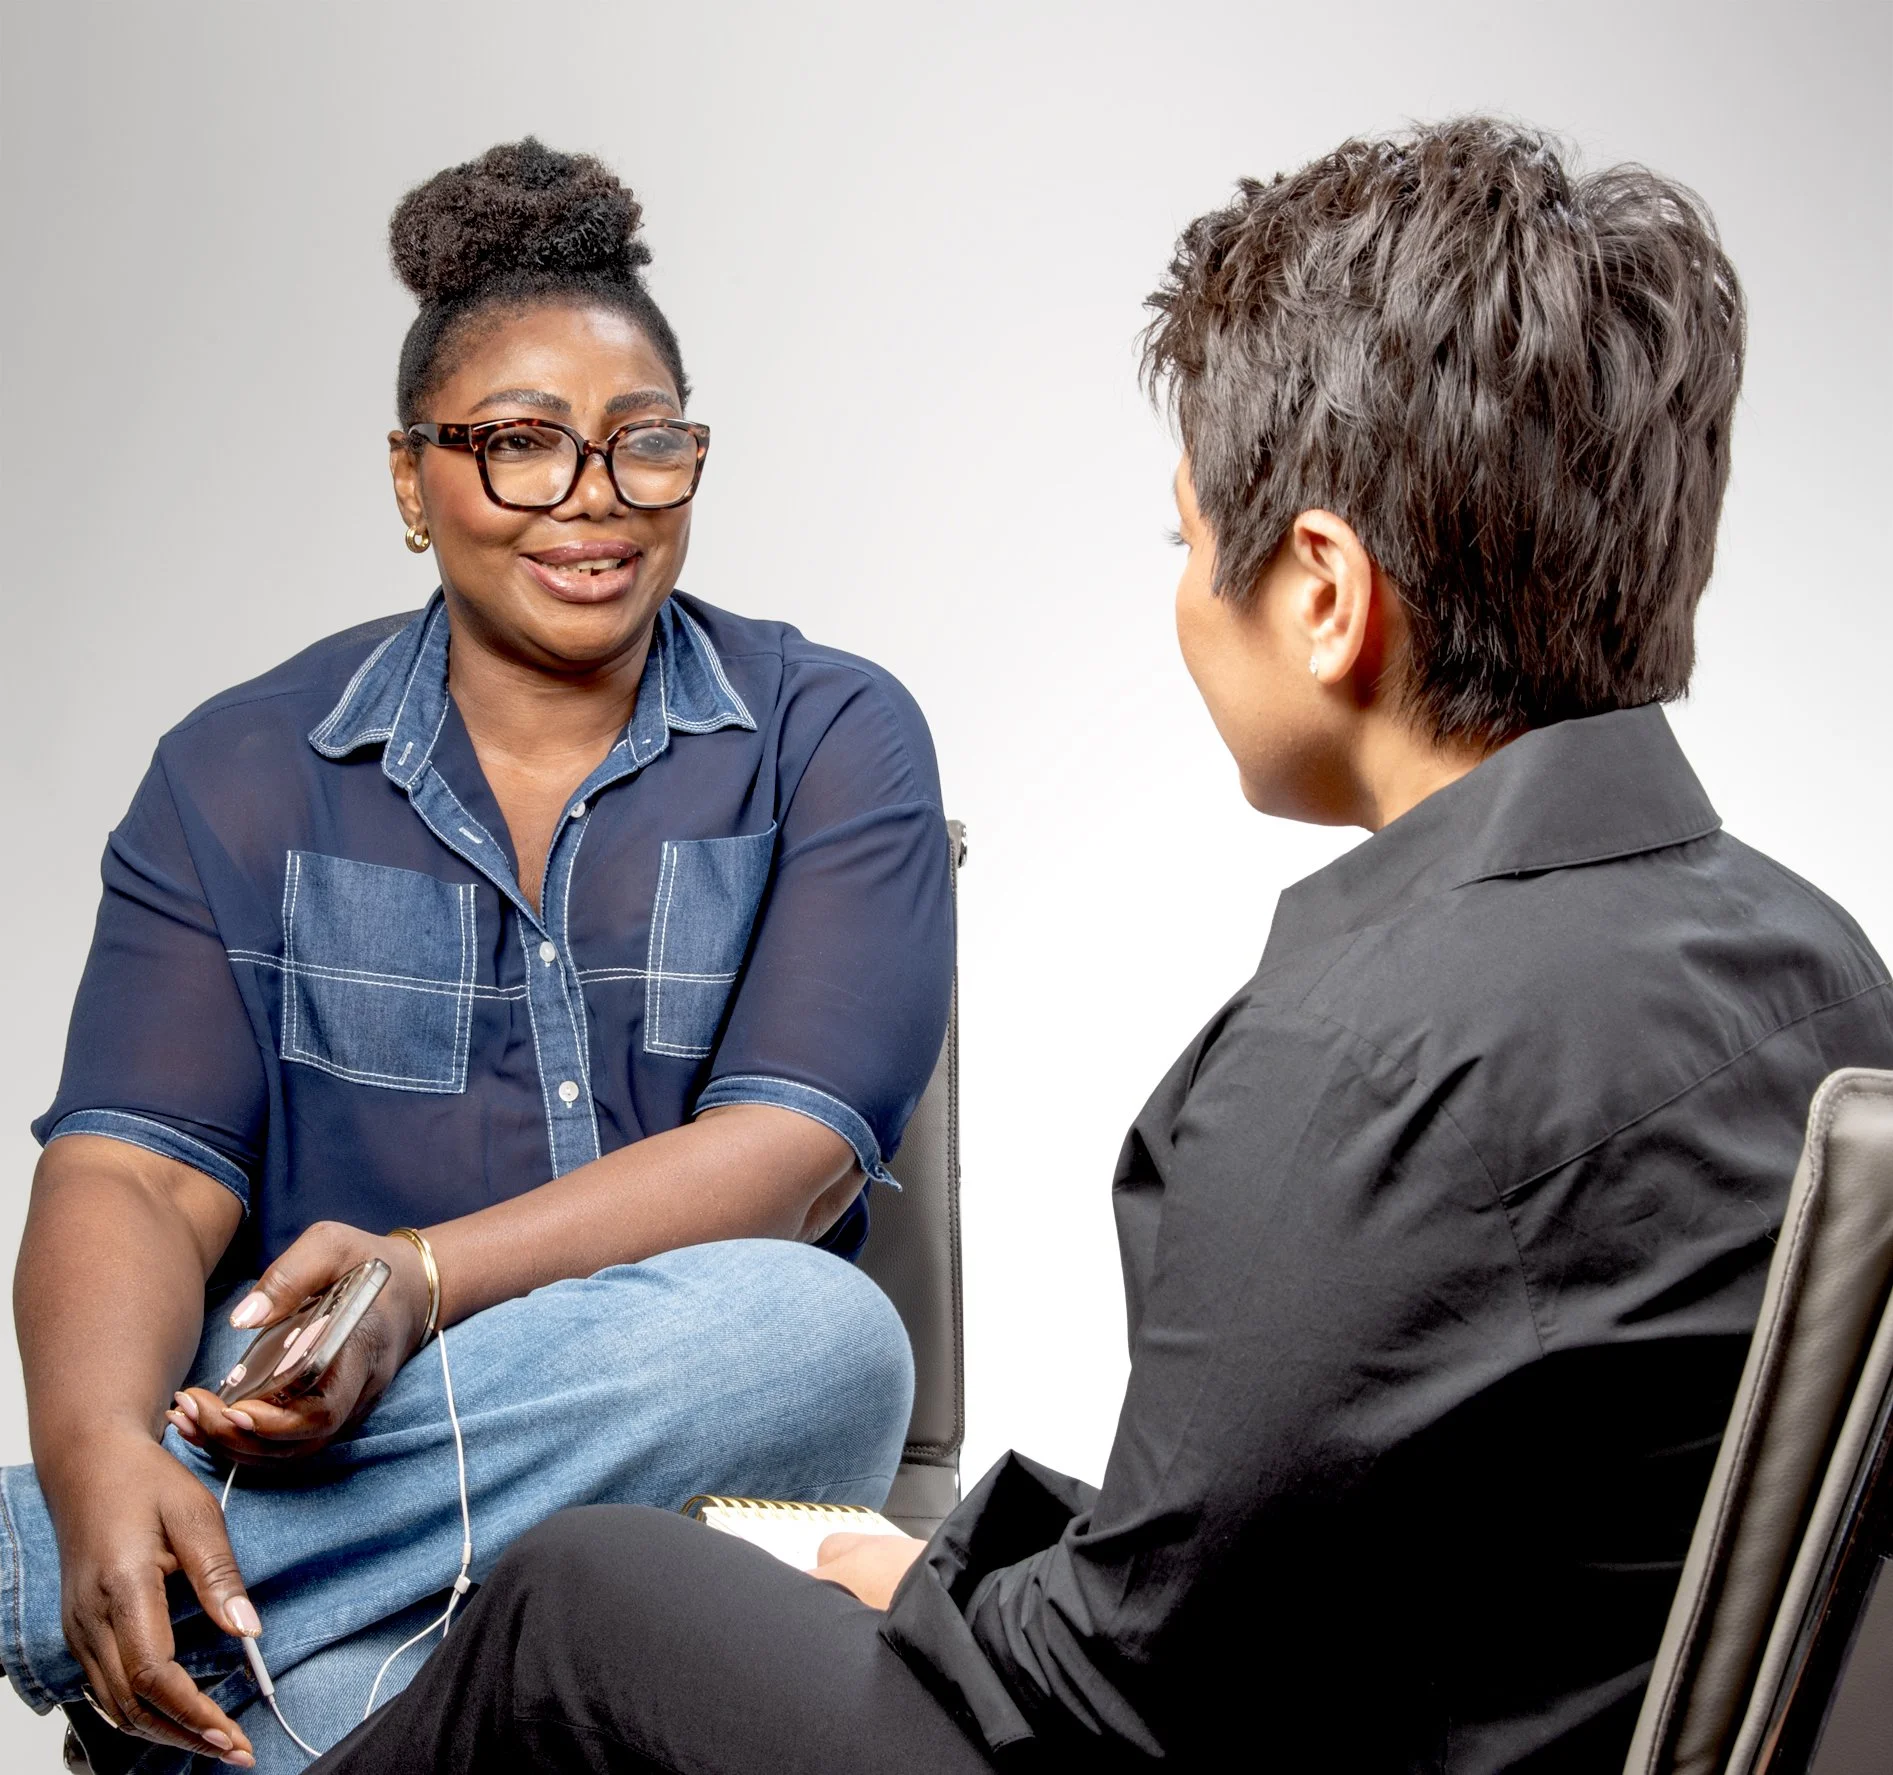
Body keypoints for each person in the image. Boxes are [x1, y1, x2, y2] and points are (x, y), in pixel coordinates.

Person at [307, 117, 1893, 1774]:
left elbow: (1100, 1710)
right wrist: (951, 1581)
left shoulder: (1366, 1058)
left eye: (1191, 542)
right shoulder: (1824, 969)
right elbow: (1365, 1523)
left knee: (583, 1600)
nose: (1188, 593)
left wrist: (949, 1614)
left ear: (1324, 594)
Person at [2, 140, 953, 1773]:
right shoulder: (239, 774)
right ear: (408, 478)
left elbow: (794, 1150)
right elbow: (137, 1176)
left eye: (644, 440)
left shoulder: (830, 737)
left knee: (822, 1334)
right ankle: (164, 1570)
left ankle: (49, 1580)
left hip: (685, 1507)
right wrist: (95, 1446)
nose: (594, 495)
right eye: (519, 443)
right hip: (352, 1552)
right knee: (357, 1682)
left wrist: (423, 1280)